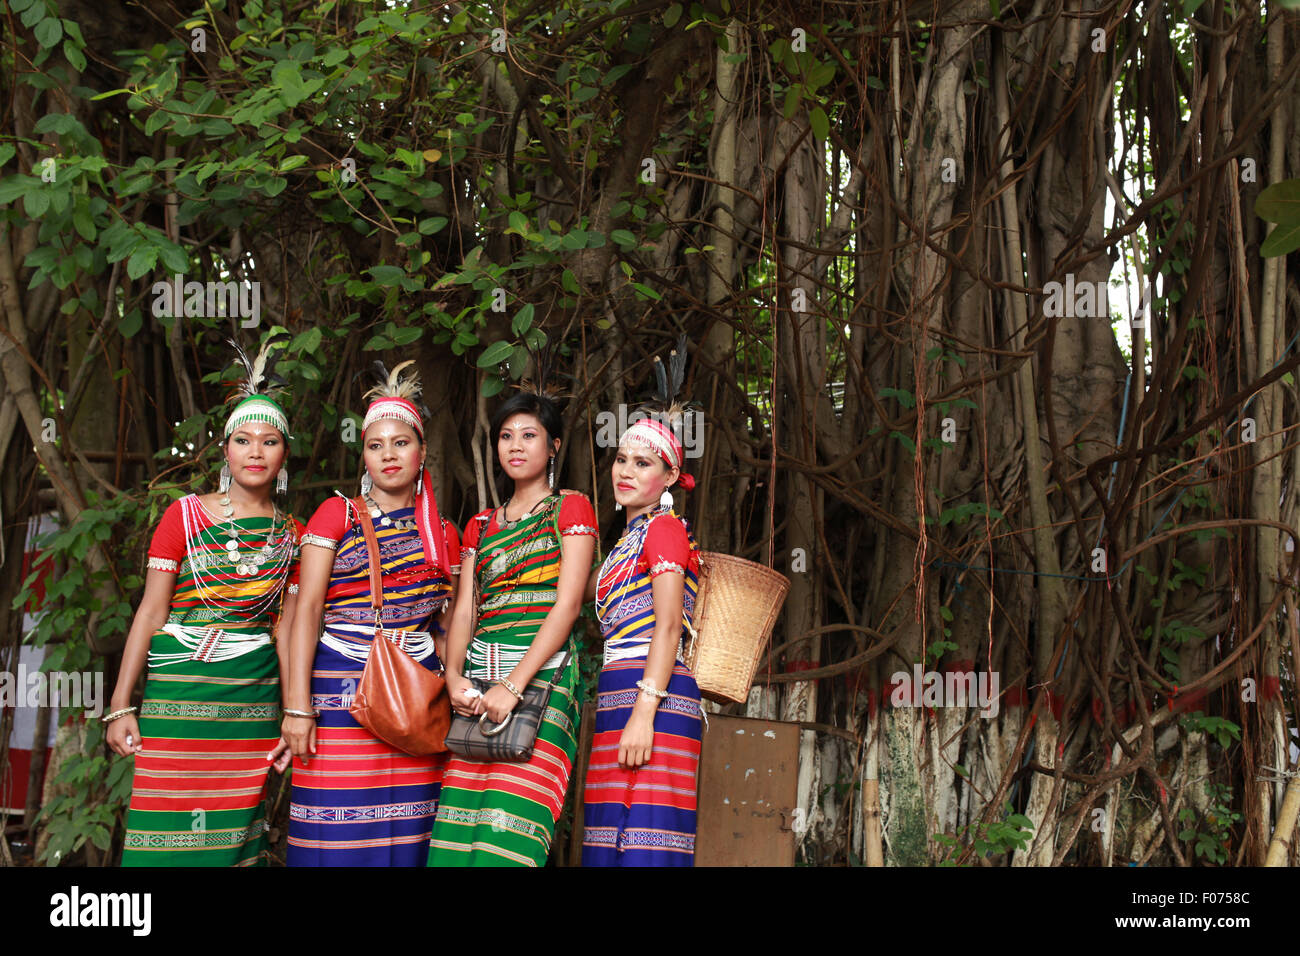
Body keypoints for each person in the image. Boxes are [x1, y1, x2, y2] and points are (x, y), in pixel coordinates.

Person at [107, 339, 302, 866]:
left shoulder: (294, 535)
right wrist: (122, 703)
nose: (255, 452)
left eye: (269, 442)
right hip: (176, 689)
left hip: (250, 698)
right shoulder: (184, 516)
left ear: (284, 455)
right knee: (162, 825)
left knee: (235, 827)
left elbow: (287, 631)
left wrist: (292, 712)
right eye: (243, 440)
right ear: (225, 451)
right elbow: (151, 611)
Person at [279, 361, 461, 866]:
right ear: (363, 455)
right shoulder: (336, 514)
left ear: (422, 451)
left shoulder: (443, 533)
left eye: (400, 443)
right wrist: (297, 706)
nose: (388, 455)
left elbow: (446, 628)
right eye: (375, 445)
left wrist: (458, 686)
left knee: (411, 827)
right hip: (341, 686)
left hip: (417, 691)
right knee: (337, 823)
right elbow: (306, 613)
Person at [428, 392, 597, 866]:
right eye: (505, 436)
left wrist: (513, 684)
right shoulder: (479, 526)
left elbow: (566, 606)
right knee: (457, 834)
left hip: (541, 680)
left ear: (554, 447)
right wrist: (454, 676)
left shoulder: (570, 508)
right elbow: (464, 611)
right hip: (478, 684)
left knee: (509, 831)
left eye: (529, 435)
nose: (515, 446)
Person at [582, 413, 702, 866]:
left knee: (643, 843)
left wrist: (644, 713)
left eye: (643, 463)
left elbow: (669, 626)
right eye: (621, 459)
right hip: (621, 691)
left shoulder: (664, 530)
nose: (626, 471)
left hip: (654, 696)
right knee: (610, 839)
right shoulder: (626, 541)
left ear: (670, 476)